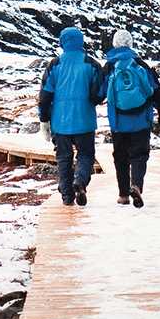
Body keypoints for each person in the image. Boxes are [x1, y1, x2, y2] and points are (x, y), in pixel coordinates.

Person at [98, 29, 160, 208]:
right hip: (141, 120)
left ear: (114, 44)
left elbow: (98, 93)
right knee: (139, 155)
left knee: (120, 157)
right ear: (131, 44)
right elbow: (156, 90)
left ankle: (123, 195)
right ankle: (136, 185)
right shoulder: (140, 64)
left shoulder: (109, 66)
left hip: (119, 122)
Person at [38, 26, 102, 207]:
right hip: (85, 120)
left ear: (62, 42)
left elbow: (45, 96)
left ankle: (67, 198)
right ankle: (80, 181)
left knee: (64, 159)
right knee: (86, 155)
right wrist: (91, 100)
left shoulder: (54, 65)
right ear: (81, 42)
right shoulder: (91, 64)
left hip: (60, 121)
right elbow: (99, 92)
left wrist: (44, 120)